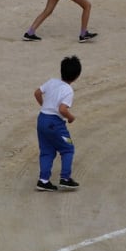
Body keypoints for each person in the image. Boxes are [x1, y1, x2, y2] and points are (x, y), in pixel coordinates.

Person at [34, 56, 82, 191]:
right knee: (67, 149)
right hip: (55, 123)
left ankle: (43, 180)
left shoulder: (51, 82)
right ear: (77, 76)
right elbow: (62, 109)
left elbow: (37, 93)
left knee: (46, 151)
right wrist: (71, 118)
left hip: (42, 119)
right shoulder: (68, 90)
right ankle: (65, 178)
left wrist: (44, 106)